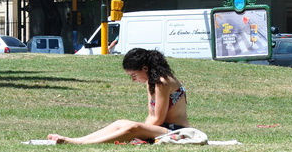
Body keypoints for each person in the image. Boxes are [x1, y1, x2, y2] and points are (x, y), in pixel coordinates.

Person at [47, 48, 189, 144]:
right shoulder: (151, 82)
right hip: (162, 128)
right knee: (120, 123)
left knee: (132, 128)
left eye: (134, 75)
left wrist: (140, 131)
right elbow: (151, 116)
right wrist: (142, 130)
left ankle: (79, 143)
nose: (133, 79)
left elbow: (158, 118)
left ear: (145, 68)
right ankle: (78, 140)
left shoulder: (162, 82)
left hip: (175, 130)